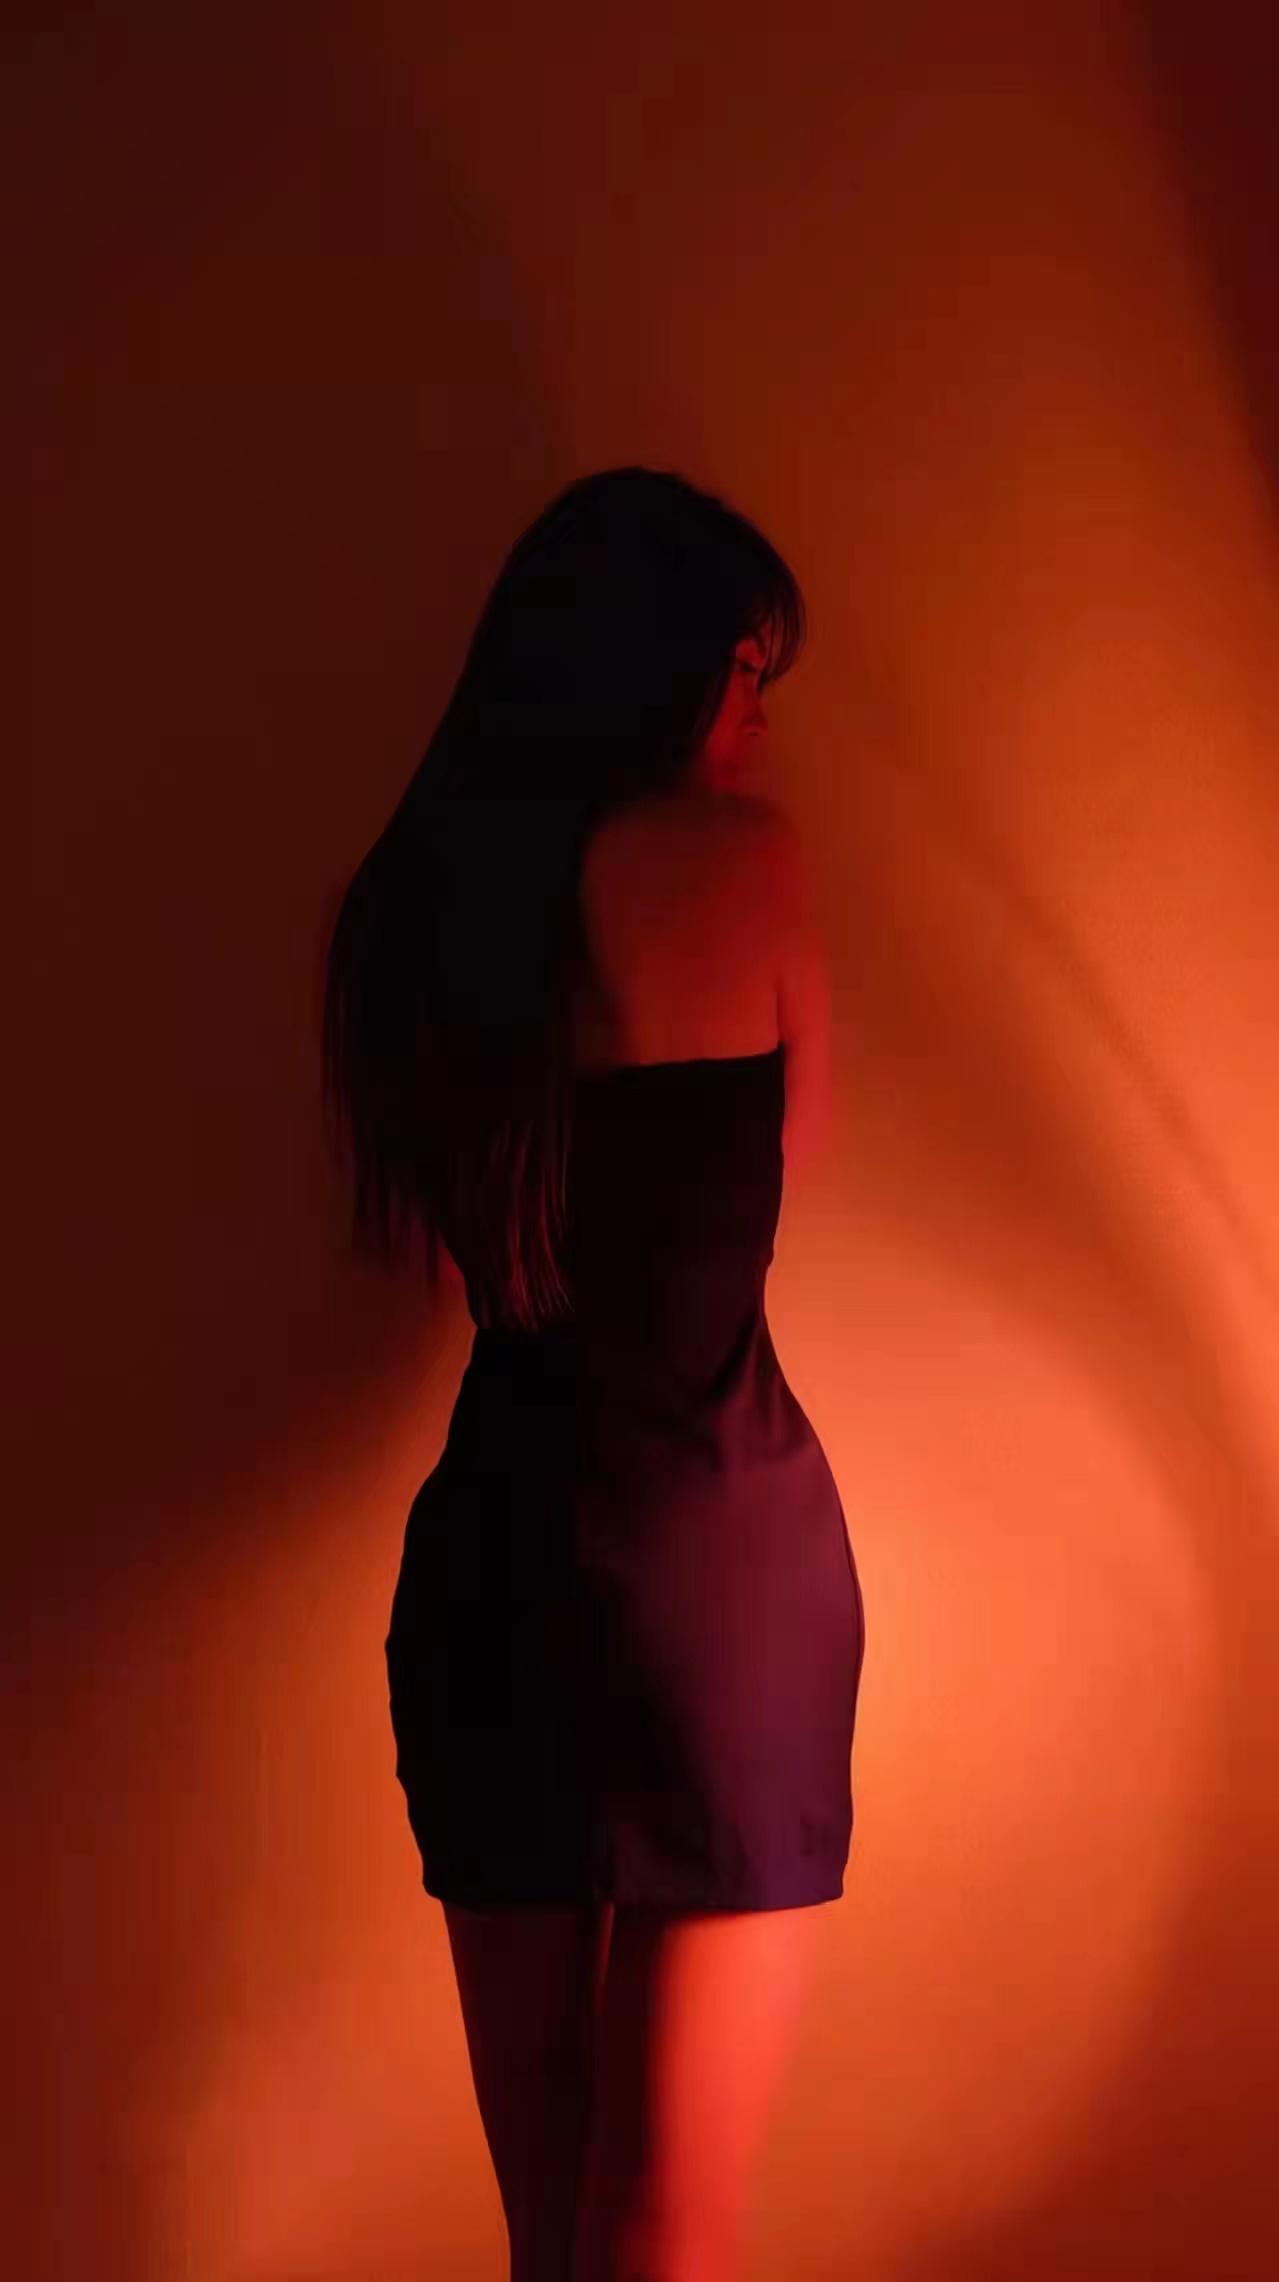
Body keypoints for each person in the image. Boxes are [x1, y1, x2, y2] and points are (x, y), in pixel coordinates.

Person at [320, 465, 867, 2282]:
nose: (759, 713)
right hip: (711, 1562)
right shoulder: (741, 858)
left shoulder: (412, 910)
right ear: (662, 668)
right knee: (666, 2231)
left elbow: (455, 1241)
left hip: (496, 1566)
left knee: (548, 2231)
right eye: (745, 668)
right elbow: (791, 1148)